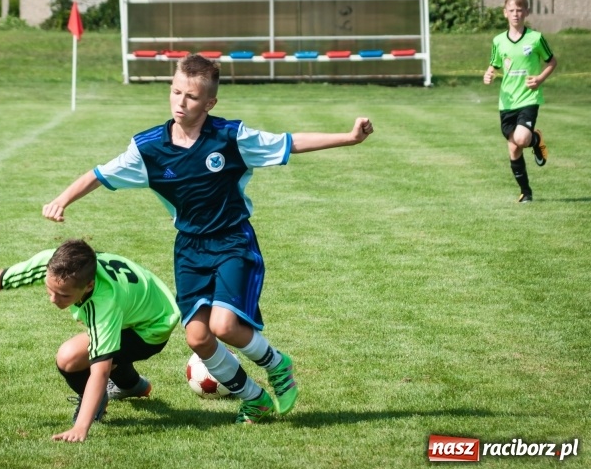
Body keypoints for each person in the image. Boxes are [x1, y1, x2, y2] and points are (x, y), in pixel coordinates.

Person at [43, 54, 374, 424]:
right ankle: (254, 399)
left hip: (233, 241)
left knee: (224, 326)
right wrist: (62, 198)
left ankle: (278, 365)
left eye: (192, 97)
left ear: (210, 102)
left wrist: (349, 138)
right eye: (175, 92)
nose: (181, 103)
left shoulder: (231, 137)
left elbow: (289, 142)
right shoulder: (149, 149)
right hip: (189, 249)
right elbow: (100, 174)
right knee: (198, 338)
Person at [0, 238, 180, 443]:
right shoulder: (53, 263)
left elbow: (100, 370)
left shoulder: (104, 303)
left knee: (70, 357)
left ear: (89, 286)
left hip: (152, 327)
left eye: (64, 295)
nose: (53, 299)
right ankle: (133, 385)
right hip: (140, 307)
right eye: (49, 289)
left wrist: (81, 428)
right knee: (98, 349)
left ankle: (97, 403)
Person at [484, 0, 557, 203]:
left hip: (528, 98)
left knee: (522, 139)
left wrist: (540, 79)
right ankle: (526, 191)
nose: (515, 14)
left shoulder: (536, 38)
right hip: (506, 102)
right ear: (505, 13)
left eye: (519, 10)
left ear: (526, 12)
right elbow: (494, 65)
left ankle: (534, 139)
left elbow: (552, 62)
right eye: (511, 10)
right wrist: (489, 74)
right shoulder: (498, 41)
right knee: (514, 147)